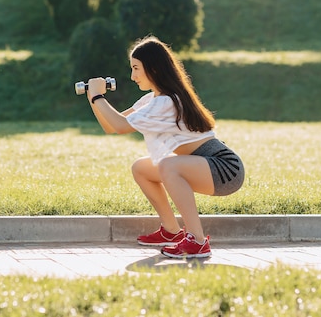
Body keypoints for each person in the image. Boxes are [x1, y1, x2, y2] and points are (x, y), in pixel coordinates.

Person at [84, 35, 245, 258]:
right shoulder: (151, 100)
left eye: (136, 68)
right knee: (141, 168)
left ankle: (197, 241)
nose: (132, 76)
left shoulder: (166, 102)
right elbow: (112, 126)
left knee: (169, 165)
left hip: (225, 169)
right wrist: (93, 98)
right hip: (207, 165)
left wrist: (98, 94)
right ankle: (171, 231)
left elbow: (120, 126)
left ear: (154, 68)